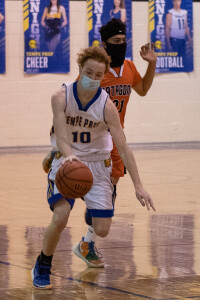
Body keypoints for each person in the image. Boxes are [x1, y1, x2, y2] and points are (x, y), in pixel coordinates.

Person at [32, 46, 155, 289]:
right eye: (88, 72)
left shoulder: (107, 106)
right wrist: (68, 156)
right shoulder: (60, 96)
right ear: (80, 70)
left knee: (103, 229)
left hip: (99, 165)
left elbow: (123, 146)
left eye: (98, 75)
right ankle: (43, 264)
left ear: (104, 76)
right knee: (61, 216)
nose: (92, 78)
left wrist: (139, 186)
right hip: (67, 159)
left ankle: (93, 209)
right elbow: (62, 133)